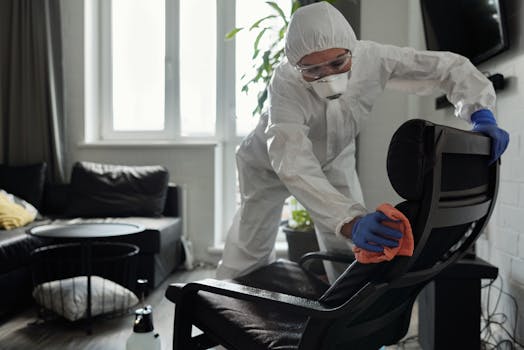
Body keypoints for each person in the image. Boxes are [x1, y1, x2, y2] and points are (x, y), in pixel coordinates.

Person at [216, 2, 509, 282]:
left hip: (335, 157)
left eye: (337, 63)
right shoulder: (285, 83)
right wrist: (348, 220)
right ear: (295, 66)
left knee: (351, 251)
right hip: (267, 165)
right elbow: (290, 159)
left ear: (352, 49)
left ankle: (338, 323)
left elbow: (447, 67)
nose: (327, 77)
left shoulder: (374, 58)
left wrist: (480, 112)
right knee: (250, 250)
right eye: (313, 70)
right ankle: (219, 312)